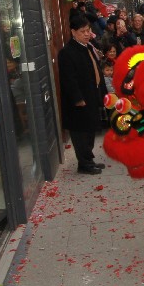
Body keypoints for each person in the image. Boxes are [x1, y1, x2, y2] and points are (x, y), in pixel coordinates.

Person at [57, 14, 108, 173]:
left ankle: (89, 159)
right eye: (82, 31)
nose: (86, 34)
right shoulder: (67, 52)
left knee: (90, 129)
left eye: (88, 30)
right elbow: (68, 79)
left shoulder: (88, 47)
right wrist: (78, 98)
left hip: (92, 95)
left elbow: (96, 70)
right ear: (73, 32)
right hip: (79, 100)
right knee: (81, 132)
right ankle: (84, 164)